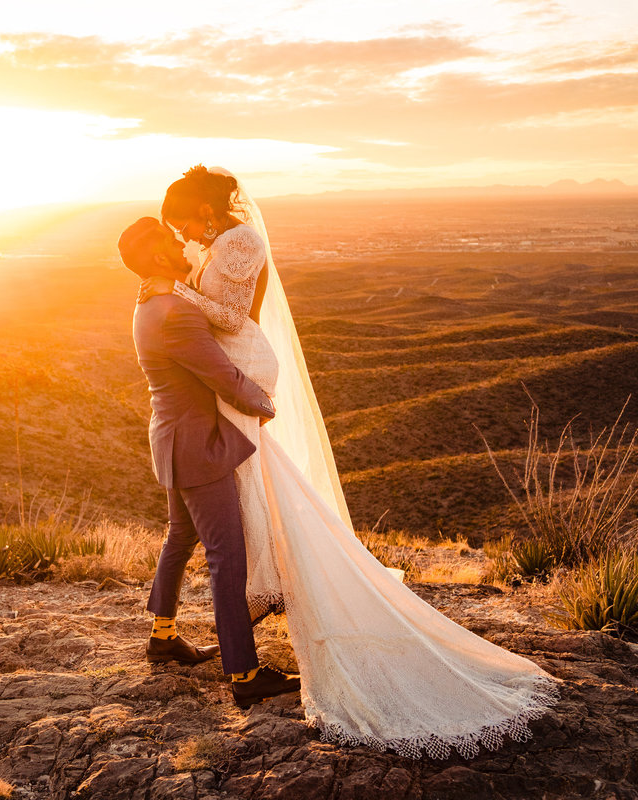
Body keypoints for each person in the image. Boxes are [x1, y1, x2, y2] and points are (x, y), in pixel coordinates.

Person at [135, 166, 561, 759]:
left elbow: (231, 319)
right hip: (208, 414)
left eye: (181, 218)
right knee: (224, 537)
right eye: (172, 229)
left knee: (209, 526)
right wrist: (246, 388)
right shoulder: (176, 294)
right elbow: (211, 346)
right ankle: (238, 663)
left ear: (203, 209)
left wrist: (179, 293)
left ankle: (187, 631)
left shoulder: (223, 254)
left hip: (205, 405)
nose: (179, 232)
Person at [117, 216, 301, 709]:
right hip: (199, 448)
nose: (183, 242)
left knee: (180, 536)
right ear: (158, 257)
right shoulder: (175, 312)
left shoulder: (149, 304)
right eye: (173, 240)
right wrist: (264, 405)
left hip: (172, 439)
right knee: (228, 556)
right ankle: (243, 673)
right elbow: (222, 375)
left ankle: (163, 636)